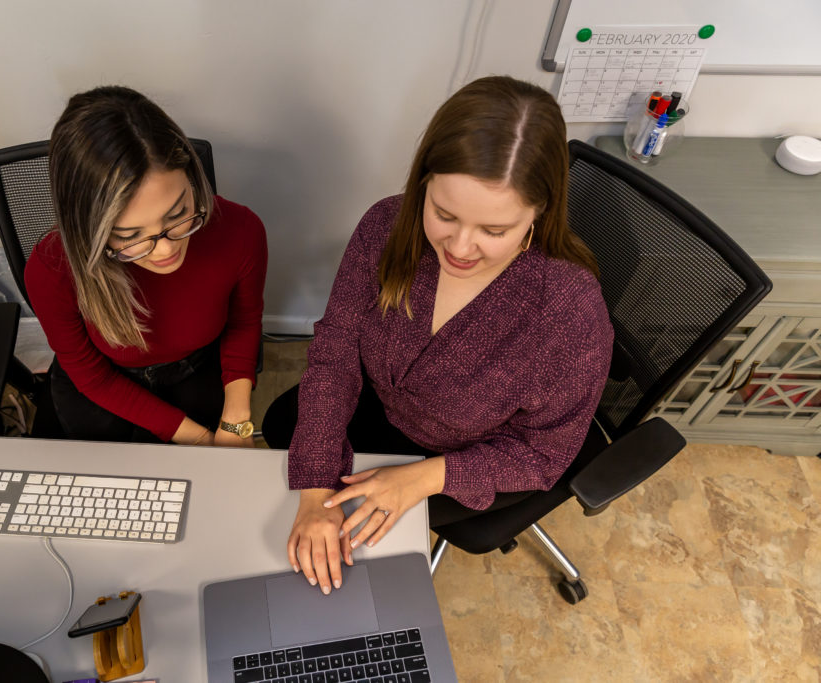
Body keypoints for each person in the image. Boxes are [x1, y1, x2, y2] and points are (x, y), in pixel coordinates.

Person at [262, 76, 613, 594]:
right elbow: (336, 349)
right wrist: (315, 491)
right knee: (286, 429)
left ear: (539, 213)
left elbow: (542, 456)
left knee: (368, 560)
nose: (462, 247)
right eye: (444, 214)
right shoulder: (387, 224)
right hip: (386, 408)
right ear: (423, 182)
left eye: (495, 231)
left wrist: (424, 478)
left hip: (476, 455)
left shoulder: (568, 313)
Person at [25, 86, 267, 447]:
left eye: (178, 215)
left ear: (191, 178)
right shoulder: (52, 268)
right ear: (88, 230)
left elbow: (244, 322)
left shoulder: (241, 230)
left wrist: (234, 424)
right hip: (102, 383)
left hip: (196, 368)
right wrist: (199, 438)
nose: (165, 250)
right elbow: (88, 374)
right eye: (129, 236)